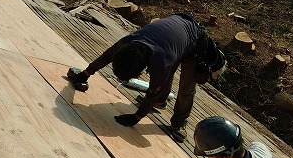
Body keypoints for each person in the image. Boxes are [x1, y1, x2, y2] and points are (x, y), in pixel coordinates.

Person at [67, 13, 226, 142]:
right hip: (174, 37)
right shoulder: (128, 42)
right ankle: (160, 103)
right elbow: (107, 56)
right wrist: (84, 74)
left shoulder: (161, 60)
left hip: (195, 43)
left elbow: (153, 90)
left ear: (142, 67)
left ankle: (179, 123)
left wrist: (136, 117)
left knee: (186, 88)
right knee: (166, 73)